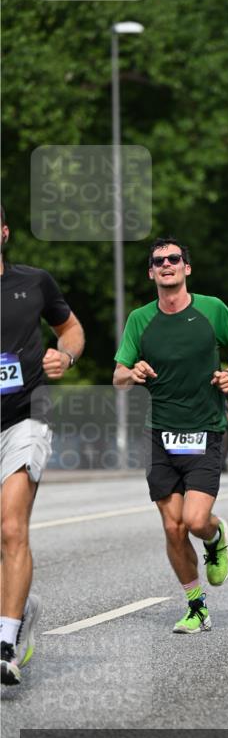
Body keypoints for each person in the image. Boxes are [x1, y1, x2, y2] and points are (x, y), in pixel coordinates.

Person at [113, 237, 228, 634]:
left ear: (186, 268)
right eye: (159, 261)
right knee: (172, 527)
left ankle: (215, 534)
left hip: (204, 429)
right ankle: (196, 607)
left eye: (174, 259)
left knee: (194, 521)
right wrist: (133, 371)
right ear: (151, 272)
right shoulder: (140, 319)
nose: (167, 264)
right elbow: (118, 376)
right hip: (159, 435)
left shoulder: (212, 309)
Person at [1, 206, 85, 684]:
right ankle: (21, 609)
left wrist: (66, 355)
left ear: (4, 232)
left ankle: (5, 644)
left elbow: (70, 328)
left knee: (12, 528)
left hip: (25, 419)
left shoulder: (34, 282)